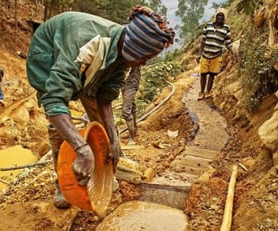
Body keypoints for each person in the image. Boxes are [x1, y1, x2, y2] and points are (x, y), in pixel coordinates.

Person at [26, 6, 174, 209]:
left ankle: (101, 170)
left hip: (88, 69)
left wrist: (114, 141)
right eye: (144, 57)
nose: (143, 63)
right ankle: (63, 182)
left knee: (101, 126)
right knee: (60, 126)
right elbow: (54, 101)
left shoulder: (122, 56)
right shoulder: (88, 43)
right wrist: (81, 147)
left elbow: (105, 99)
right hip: (49, 57)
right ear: (135, 47)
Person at [196, 11, 235, 100]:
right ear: (215, 16)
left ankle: (208, 92)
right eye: (219, 16)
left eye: (222, 16)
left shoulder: (226, 28)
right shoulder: (208, 26)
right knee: (203, 74)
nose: (220, 18)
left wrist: (232, 51)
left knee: (212, 75)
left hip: (216, 55)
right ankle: (201, 92)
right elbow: (203, 41)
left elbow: (228, 42)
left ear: (225, 18)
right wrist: (199, 55)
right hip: (205, 54)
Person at [121, 65, 141, 145]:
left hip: (130, 85)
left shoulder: (135, 58)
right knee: (132, 106)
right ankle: (134, 130)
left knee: (126, 111)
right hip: (126, 85)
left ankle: (132, 139)